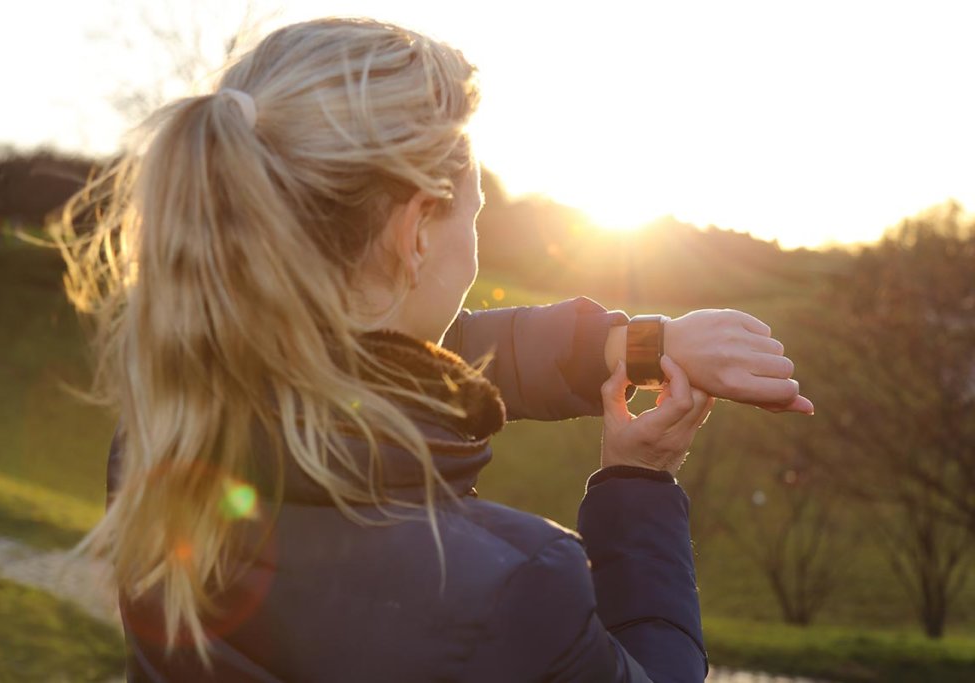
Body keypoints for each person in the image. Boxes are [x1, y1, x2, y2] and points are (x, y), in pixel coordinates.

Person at [63, 17, 810, 682]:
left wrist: (640, 345)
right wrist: (639, 486)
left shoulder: (163, 439)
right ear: (417, 230)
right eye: (472, 211)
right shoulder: (507, 590)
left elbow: (414, 361)